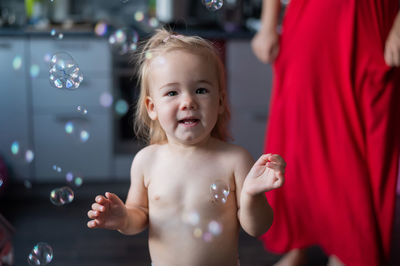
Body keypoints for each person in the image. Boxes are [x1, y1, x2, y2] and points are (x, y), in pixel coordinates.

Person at [87, 28, 286, 266]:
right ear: (152, 107)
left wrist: (253, 195)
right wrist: (123, 218)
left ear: (220, 101)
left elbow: (257, 228)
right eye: (172, 92)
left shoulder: (234, 160)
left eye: (201, 90)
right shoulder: (146, 161)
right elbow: (138, 216)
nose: (188, 102)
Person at [251, 0, 400, 266]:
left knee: (363, 136)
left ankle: (349, 247)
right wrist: (268, 24)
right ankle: (297, 242)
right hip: (312, 14)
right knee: (299, 132)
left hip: (374, 19)